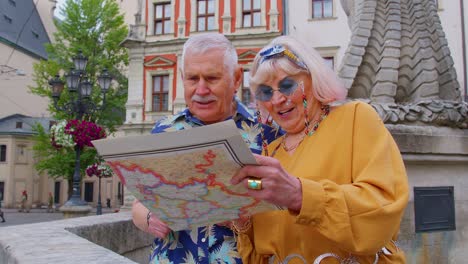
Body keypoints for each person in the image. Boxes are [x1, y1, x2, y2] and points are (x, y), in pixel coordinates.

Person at [230, 36, 409, 263]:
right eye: (265, 92)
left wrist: (300, 195)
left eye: (287, 85)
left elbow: (384, 208)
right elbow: (261, 255)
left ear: (314, 79)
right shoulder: (271, 152)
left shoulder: (355, 118)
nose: (277, 100)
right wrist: (242, 219)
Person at [131, 33, 280, 263]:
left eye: (211, 78)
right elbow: (139, 203)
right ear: (182, 77)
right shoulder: (164, 131)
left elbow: (274, 190)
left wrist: (238, 187)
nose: (201, 90)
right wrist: (150, 218)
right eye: (192, 78)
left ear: (237, 78)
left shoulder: (266, 135)